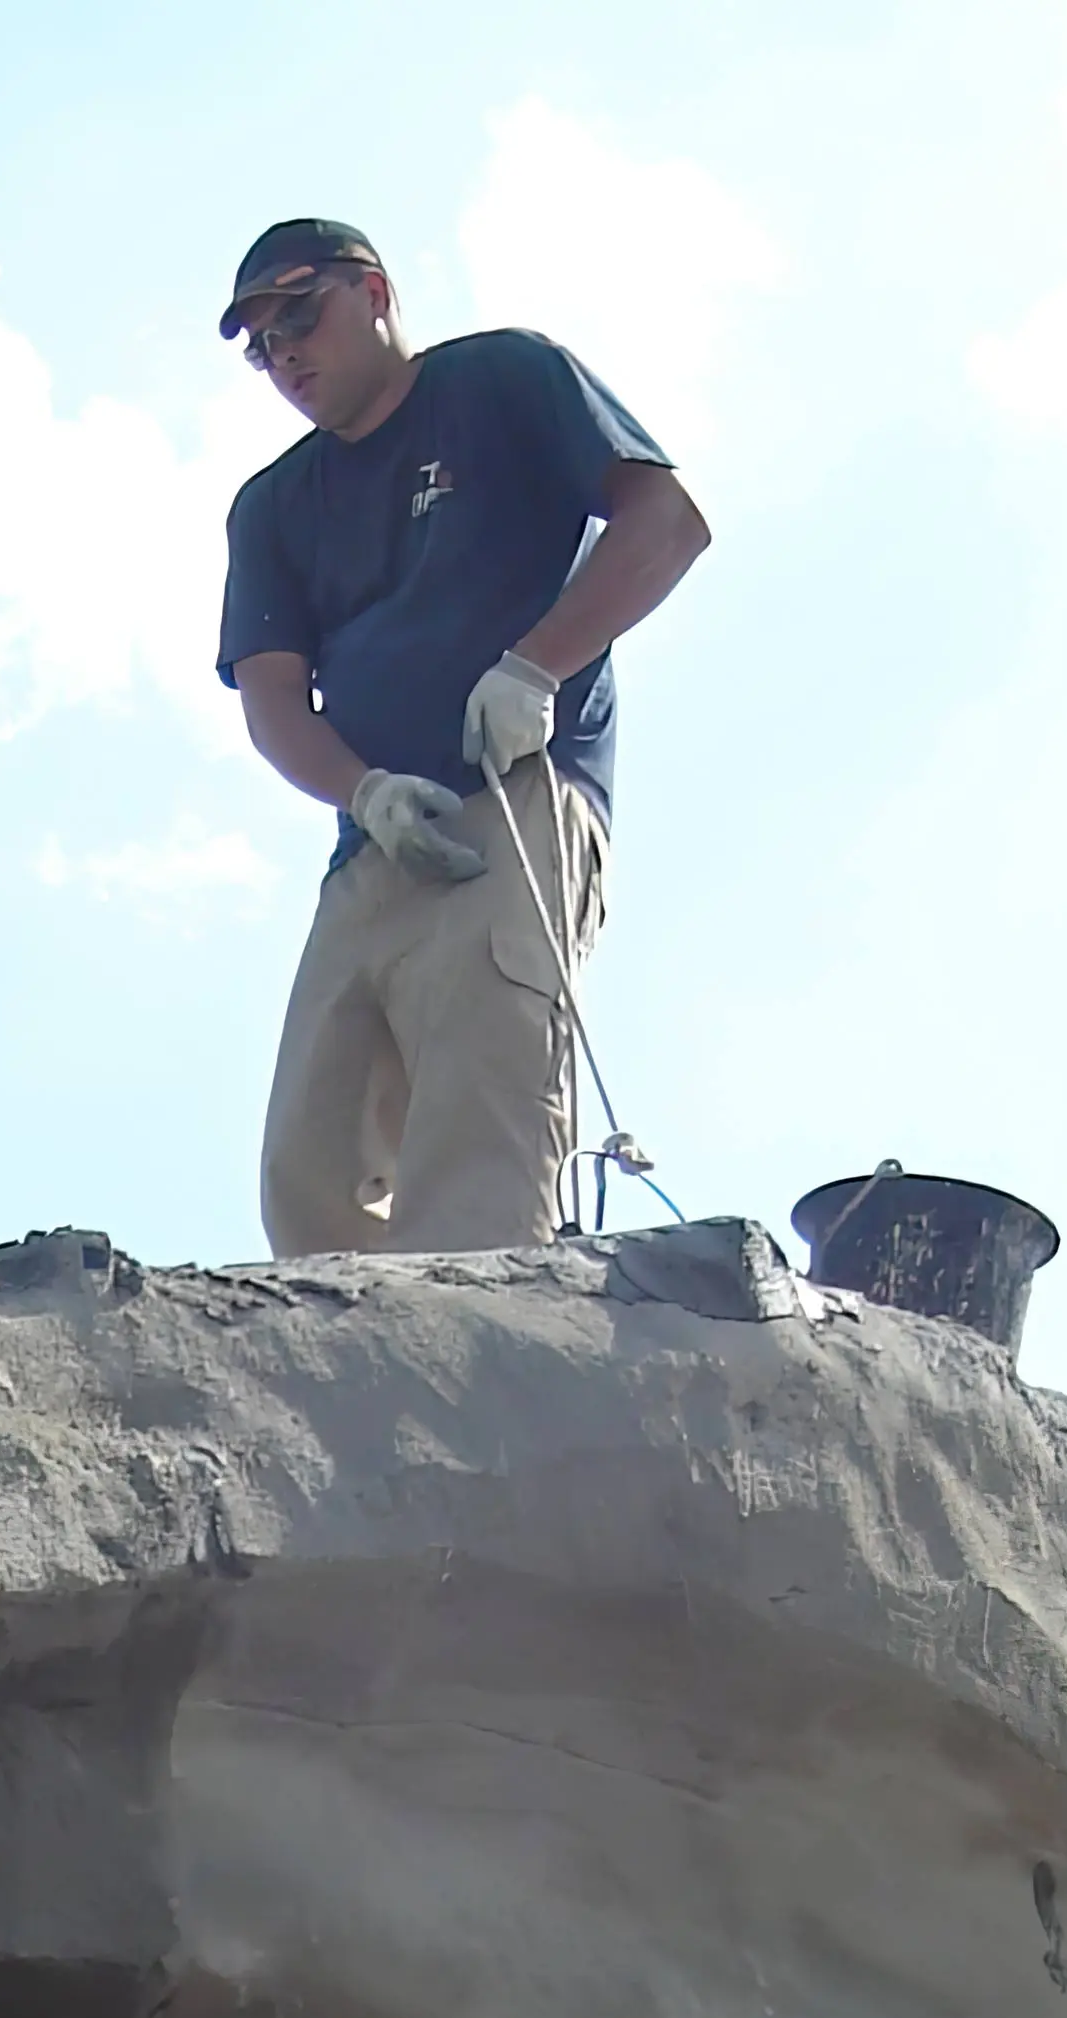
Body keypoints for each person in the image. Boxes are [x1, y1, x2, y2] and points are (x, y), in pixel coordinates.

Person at [215, 219, 711, 1257]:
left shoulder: (500, 381)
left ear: (376, 292)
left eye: (300, 315)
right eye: (262, 345)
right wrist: (367, 796)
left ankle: (505, 1393)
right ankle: (346, 1402)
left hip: (518, 802)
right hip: (375, 849)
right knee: (306, 1177)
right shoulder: (272, 509)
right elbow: (272, 707)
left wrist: (538, 666)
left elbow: (664, 520)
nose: (286, 355)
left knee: (482, 1150)